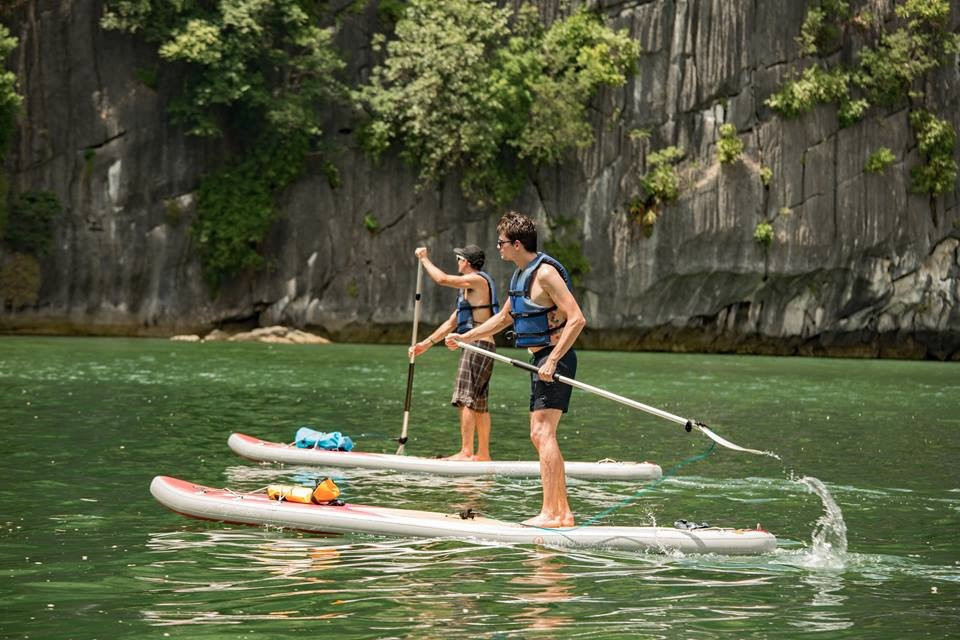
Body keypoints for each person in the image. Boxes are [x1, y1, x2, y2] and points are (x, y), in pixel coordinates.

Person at [446, 211, 586, 528]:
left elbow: (576, 318)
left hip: (556, 358)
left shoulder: (546, 273)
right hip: (542, 360)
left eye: (502, 242)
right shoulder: (519, 276)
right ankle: (561, 513)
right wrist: (466, 336)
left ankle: (553, 513)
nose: (498, 247)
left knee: (542, 433)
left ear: (517, 244)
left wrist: (552, 359)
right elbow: (504, 318)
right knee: (541, 435)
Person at [409, 244, 499, 461]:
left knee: (465, 398)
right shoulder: (468, 289)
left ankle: (467, 451)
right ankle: (483, 454)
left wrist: (424, 259)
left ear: (466, 261)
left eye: (459, 258)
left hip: (476, 345)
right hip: (481, 346)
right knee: (478, 402)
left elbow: (442, 279)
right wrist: (426, 343)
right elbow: (452, 322)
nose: (457, 262)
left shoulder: (477, 279)